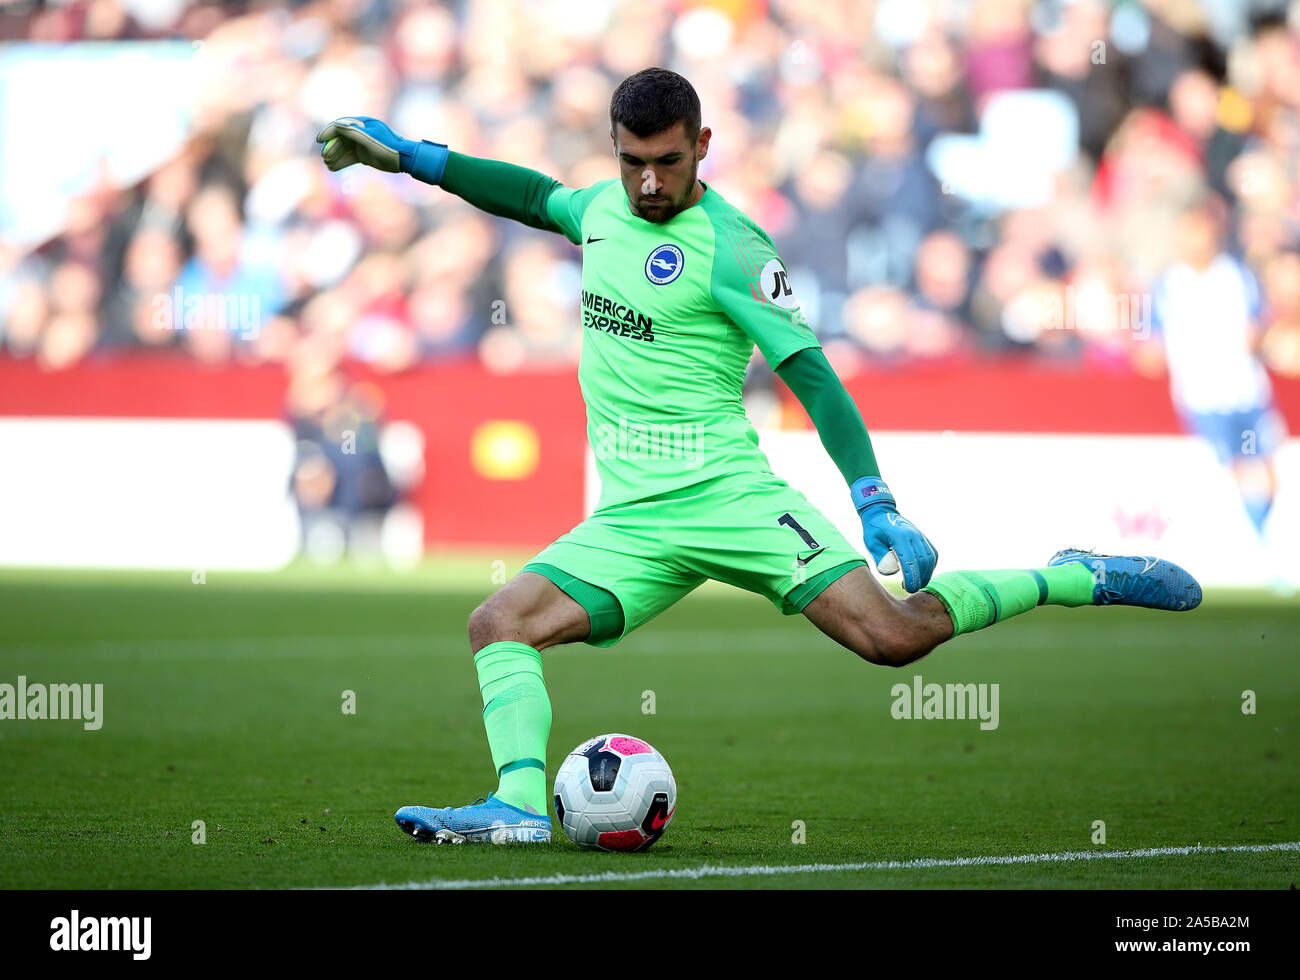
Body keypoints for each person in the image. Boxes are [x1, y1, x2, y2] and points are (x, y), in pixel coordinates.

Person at [318, 68, 1202, 845]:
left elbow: (812, 375)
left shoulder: (735, 248)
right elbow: (525, 192)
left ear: (703, 144)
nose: (650, 181)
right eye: (632, 161)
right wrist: (413, 159)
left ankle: (1071, 575)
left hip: (730, 497)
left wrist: (873, 497)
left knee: (892, 639)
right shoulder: (599, 211)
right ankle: (515, 805)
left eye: (668, 159)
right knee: (497, 623)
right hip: (632, 518)